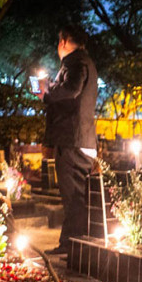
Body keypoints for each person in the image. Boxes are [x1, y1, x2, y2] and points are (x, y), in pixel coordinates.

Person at [36, 26, 98, 255]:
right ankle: (73, 243)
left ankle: (72, 245)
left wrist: (46, 92)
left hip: (73, 140)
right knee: (76, 196)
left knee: (73, 197)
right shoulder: (85, 61)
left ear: (62, 41)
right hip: (80, 138)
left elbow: (71, 89)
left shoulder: (76, 62)